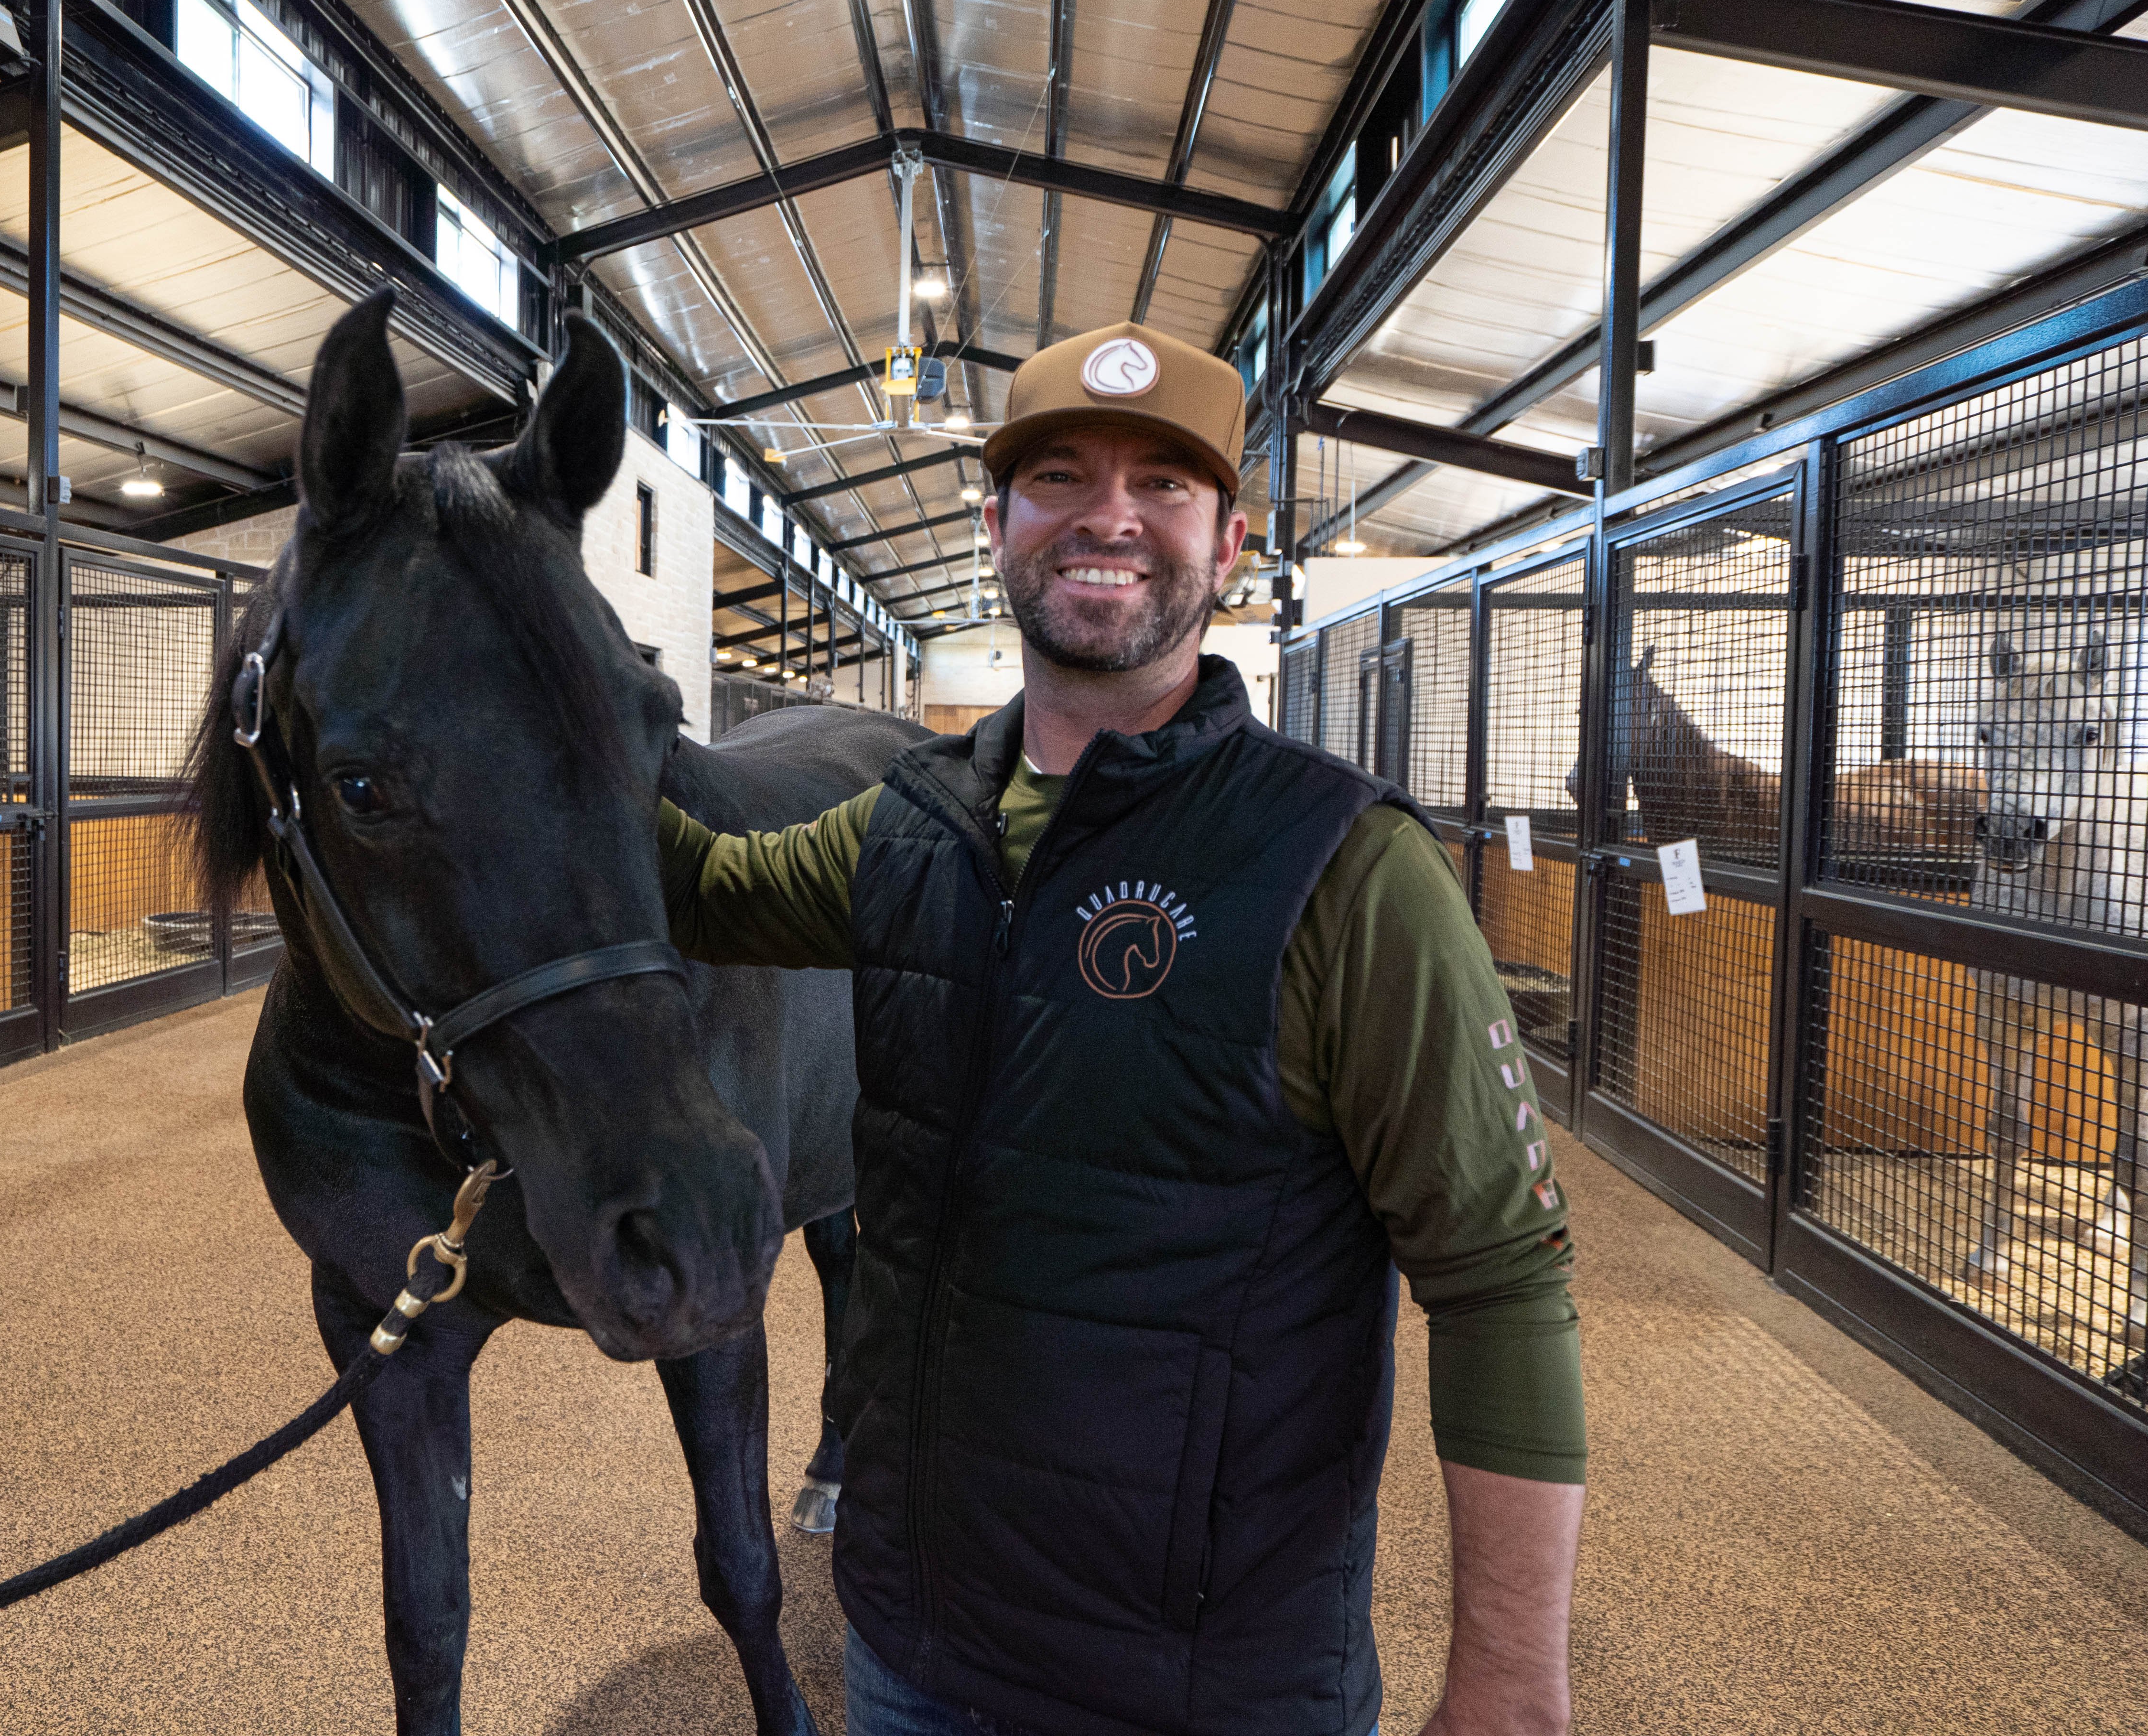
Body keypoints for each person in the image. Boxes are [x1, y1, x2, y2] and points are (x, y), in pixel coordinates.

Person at [655, 322, 1585, 1736]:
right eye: (1061, 479)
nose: (1109, 515)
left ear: (1227, 550)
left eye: (1165, 483)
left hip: (1210, 1681)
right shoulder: (910, 827)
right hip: (918, 1642)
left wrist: (1511, 1686)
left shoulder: (1343, 868)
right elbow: (703, 884)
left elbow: (1502, 1280)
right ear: (997, 531)